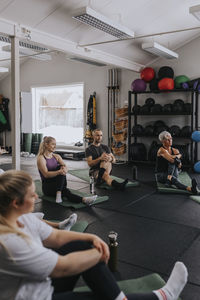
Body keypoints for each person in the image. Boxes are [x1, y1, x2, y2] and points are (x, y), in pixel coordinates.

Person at [0, 170, 188, 300]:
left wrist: (92, 239)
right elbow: (62, 268)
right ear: (16, 203)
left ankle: (131, 297)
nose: (37, 198)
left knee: (81, 246)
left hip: (40, 285)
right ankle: (163, 296)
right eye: (32, 195)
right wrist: (98, 254)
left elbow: (56, 238)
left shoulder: (24, 219)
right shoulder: (8, 243)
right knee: (103, 296)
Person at [37, 136, 97, 205]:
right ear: (46, 145)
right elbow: (46, 175)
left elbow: (65, 167)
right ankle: (83, 199)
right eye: (53, 144)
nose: (55, 146)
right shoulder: (41, 158)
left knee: (61, 167)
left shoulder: (56, 156)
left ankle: (60, 192)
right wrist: (59, 172)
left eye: (55, 144)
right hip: (47, 187)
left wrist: (64, 169)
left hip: (58, 183)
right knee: (65, 191)